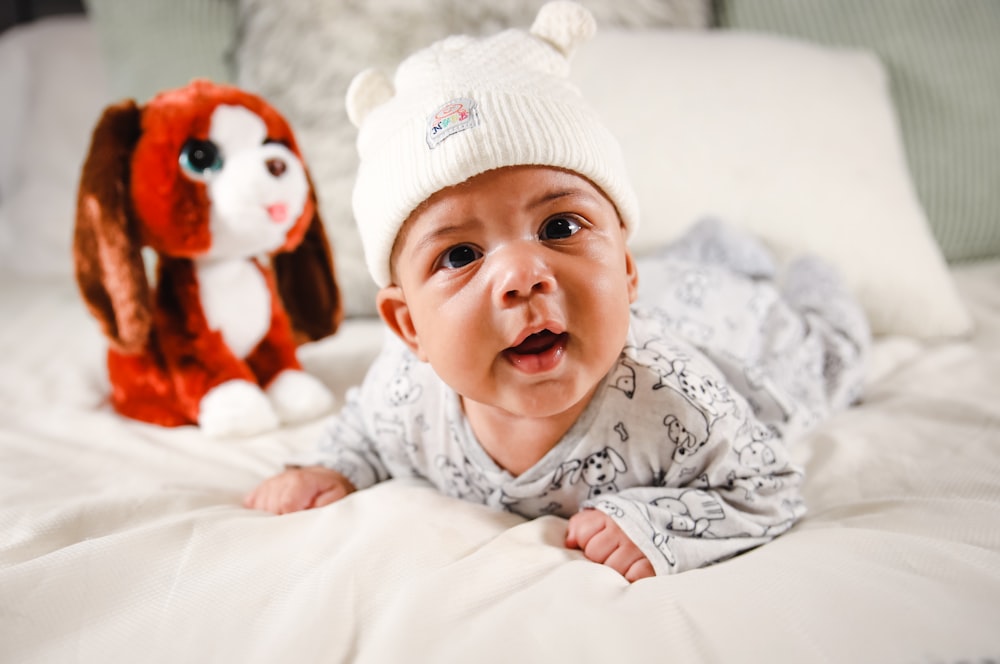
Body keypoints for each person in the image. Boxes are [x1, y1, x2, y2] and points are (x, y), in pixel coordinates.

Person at [244, 1, 869, 582]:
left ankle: (799, 276)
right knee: (694, 269)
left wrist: (657, 526)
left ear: (624, 266)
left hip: (734, 333)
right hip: (663, 291)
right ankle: (713, 247)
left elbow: (768, 488)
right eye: (460, 255)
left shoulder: (678, 400)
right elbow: (363, 428)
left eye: (560, 227)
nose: (522, 275)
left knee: (824, 359)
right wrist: (330, 468)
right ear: (409, 329)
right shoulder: (406, 395)